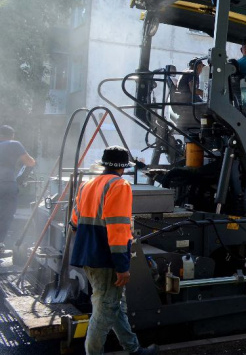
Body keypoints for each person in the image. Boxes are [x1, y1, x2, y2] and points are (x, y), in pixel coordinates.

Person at [70, 146, 157, 355]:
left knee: (114, 304)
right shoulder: (119, 186)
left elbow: (74, 221)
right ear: (123, 168)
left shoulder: (87, 185)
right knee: (105, 309)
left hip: (87, 255)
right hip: (106, 258)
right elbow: (118, 229)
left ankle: (134, 349)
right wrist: (122, 266)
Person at [0, 125, 36, 249]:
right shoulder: (13, 144)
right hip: (6, 184)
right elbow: (30, 162)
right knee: (6, 214)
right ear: (12, 135)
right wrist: (21, 178)